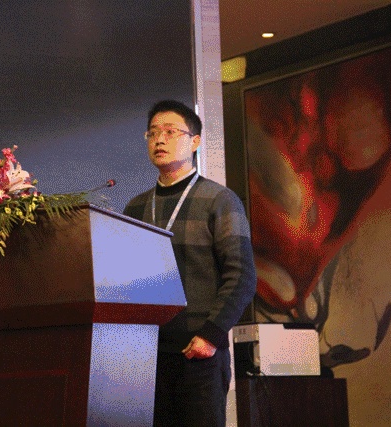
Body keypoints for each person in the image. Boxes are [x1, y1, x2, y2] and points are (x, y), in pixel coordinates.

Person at [124, 100, 256, 426]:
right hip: (147, 355)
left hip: (199, 351)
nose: (159, 140)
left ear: (195, 141)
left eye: (170, 132)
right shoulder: (136, 207)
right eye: (153, 133)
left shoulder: (219, 200)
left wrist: (210, 336)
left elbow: (241, 275)